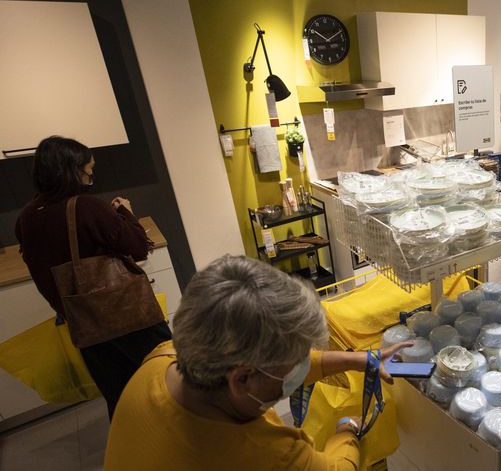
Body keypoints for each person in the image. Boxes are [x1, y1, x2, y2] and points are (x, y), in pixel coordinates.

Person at [104, 255, 410, 470]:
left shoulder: (163, 359)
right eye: (295, 363)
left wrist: (354, 359)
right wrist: (346, 430)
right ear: (241, 380)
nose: (302, 367)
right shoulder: (264, 454)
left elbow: (281, 365)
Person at [15, 136, 172, 418]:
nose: (91, 177)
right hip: (128, 316)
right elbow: (137, 248)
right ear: (72, 171)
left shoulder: (27, 217)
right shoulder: (86, 207)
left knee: (120, 397)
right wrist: (125, 211)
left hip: (85, 324)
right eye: (88, 170)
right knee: (166, 377)